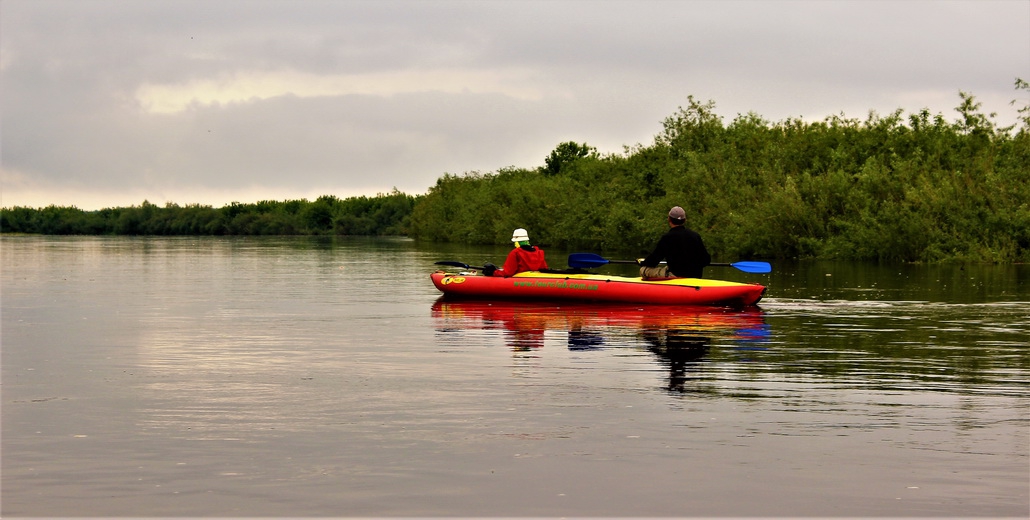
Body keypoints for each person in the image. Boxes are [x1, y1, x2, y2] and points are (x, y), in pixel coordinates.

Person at [638, 206, 711, 279]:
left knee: (643, 270)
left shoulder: (667, 238)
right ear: (684, 220)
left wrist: (643, 263)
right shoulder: (695, 236)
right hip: (695, 276)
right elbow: (706, 260)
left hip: (676, 275)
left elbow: (654, 260)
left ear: (669, 219)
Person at [483, 228, 548, 277]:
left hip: (520, 281)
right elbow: (544, 269)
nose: (514, 244)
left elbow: (508, 273)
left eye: (515, 242)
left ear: (517, 242)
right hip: (537, 280)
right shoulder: (539, 252)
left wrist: (493, 272)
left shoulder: (515, 253)